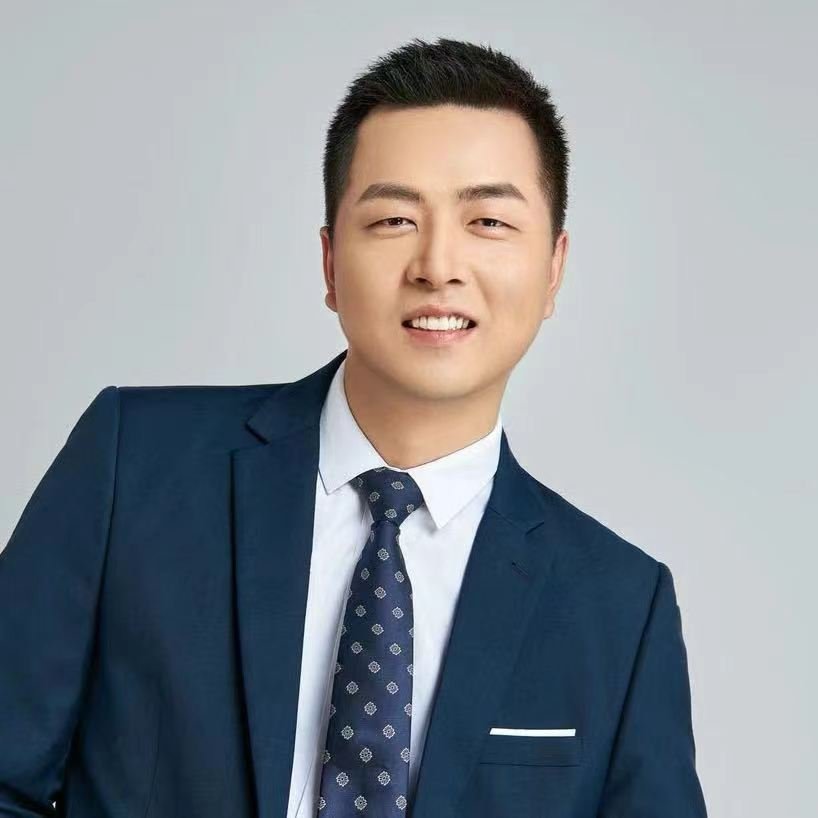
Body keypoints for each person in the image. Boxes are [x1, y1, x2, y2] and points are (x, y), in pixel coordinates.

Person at [0, 36, 707, 818]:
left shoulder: (618, 608)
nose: (438, 265)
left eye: (488, 221)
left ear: (553, 270)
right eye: (395, 219)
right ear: (331, 263)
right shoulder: (133, 468)